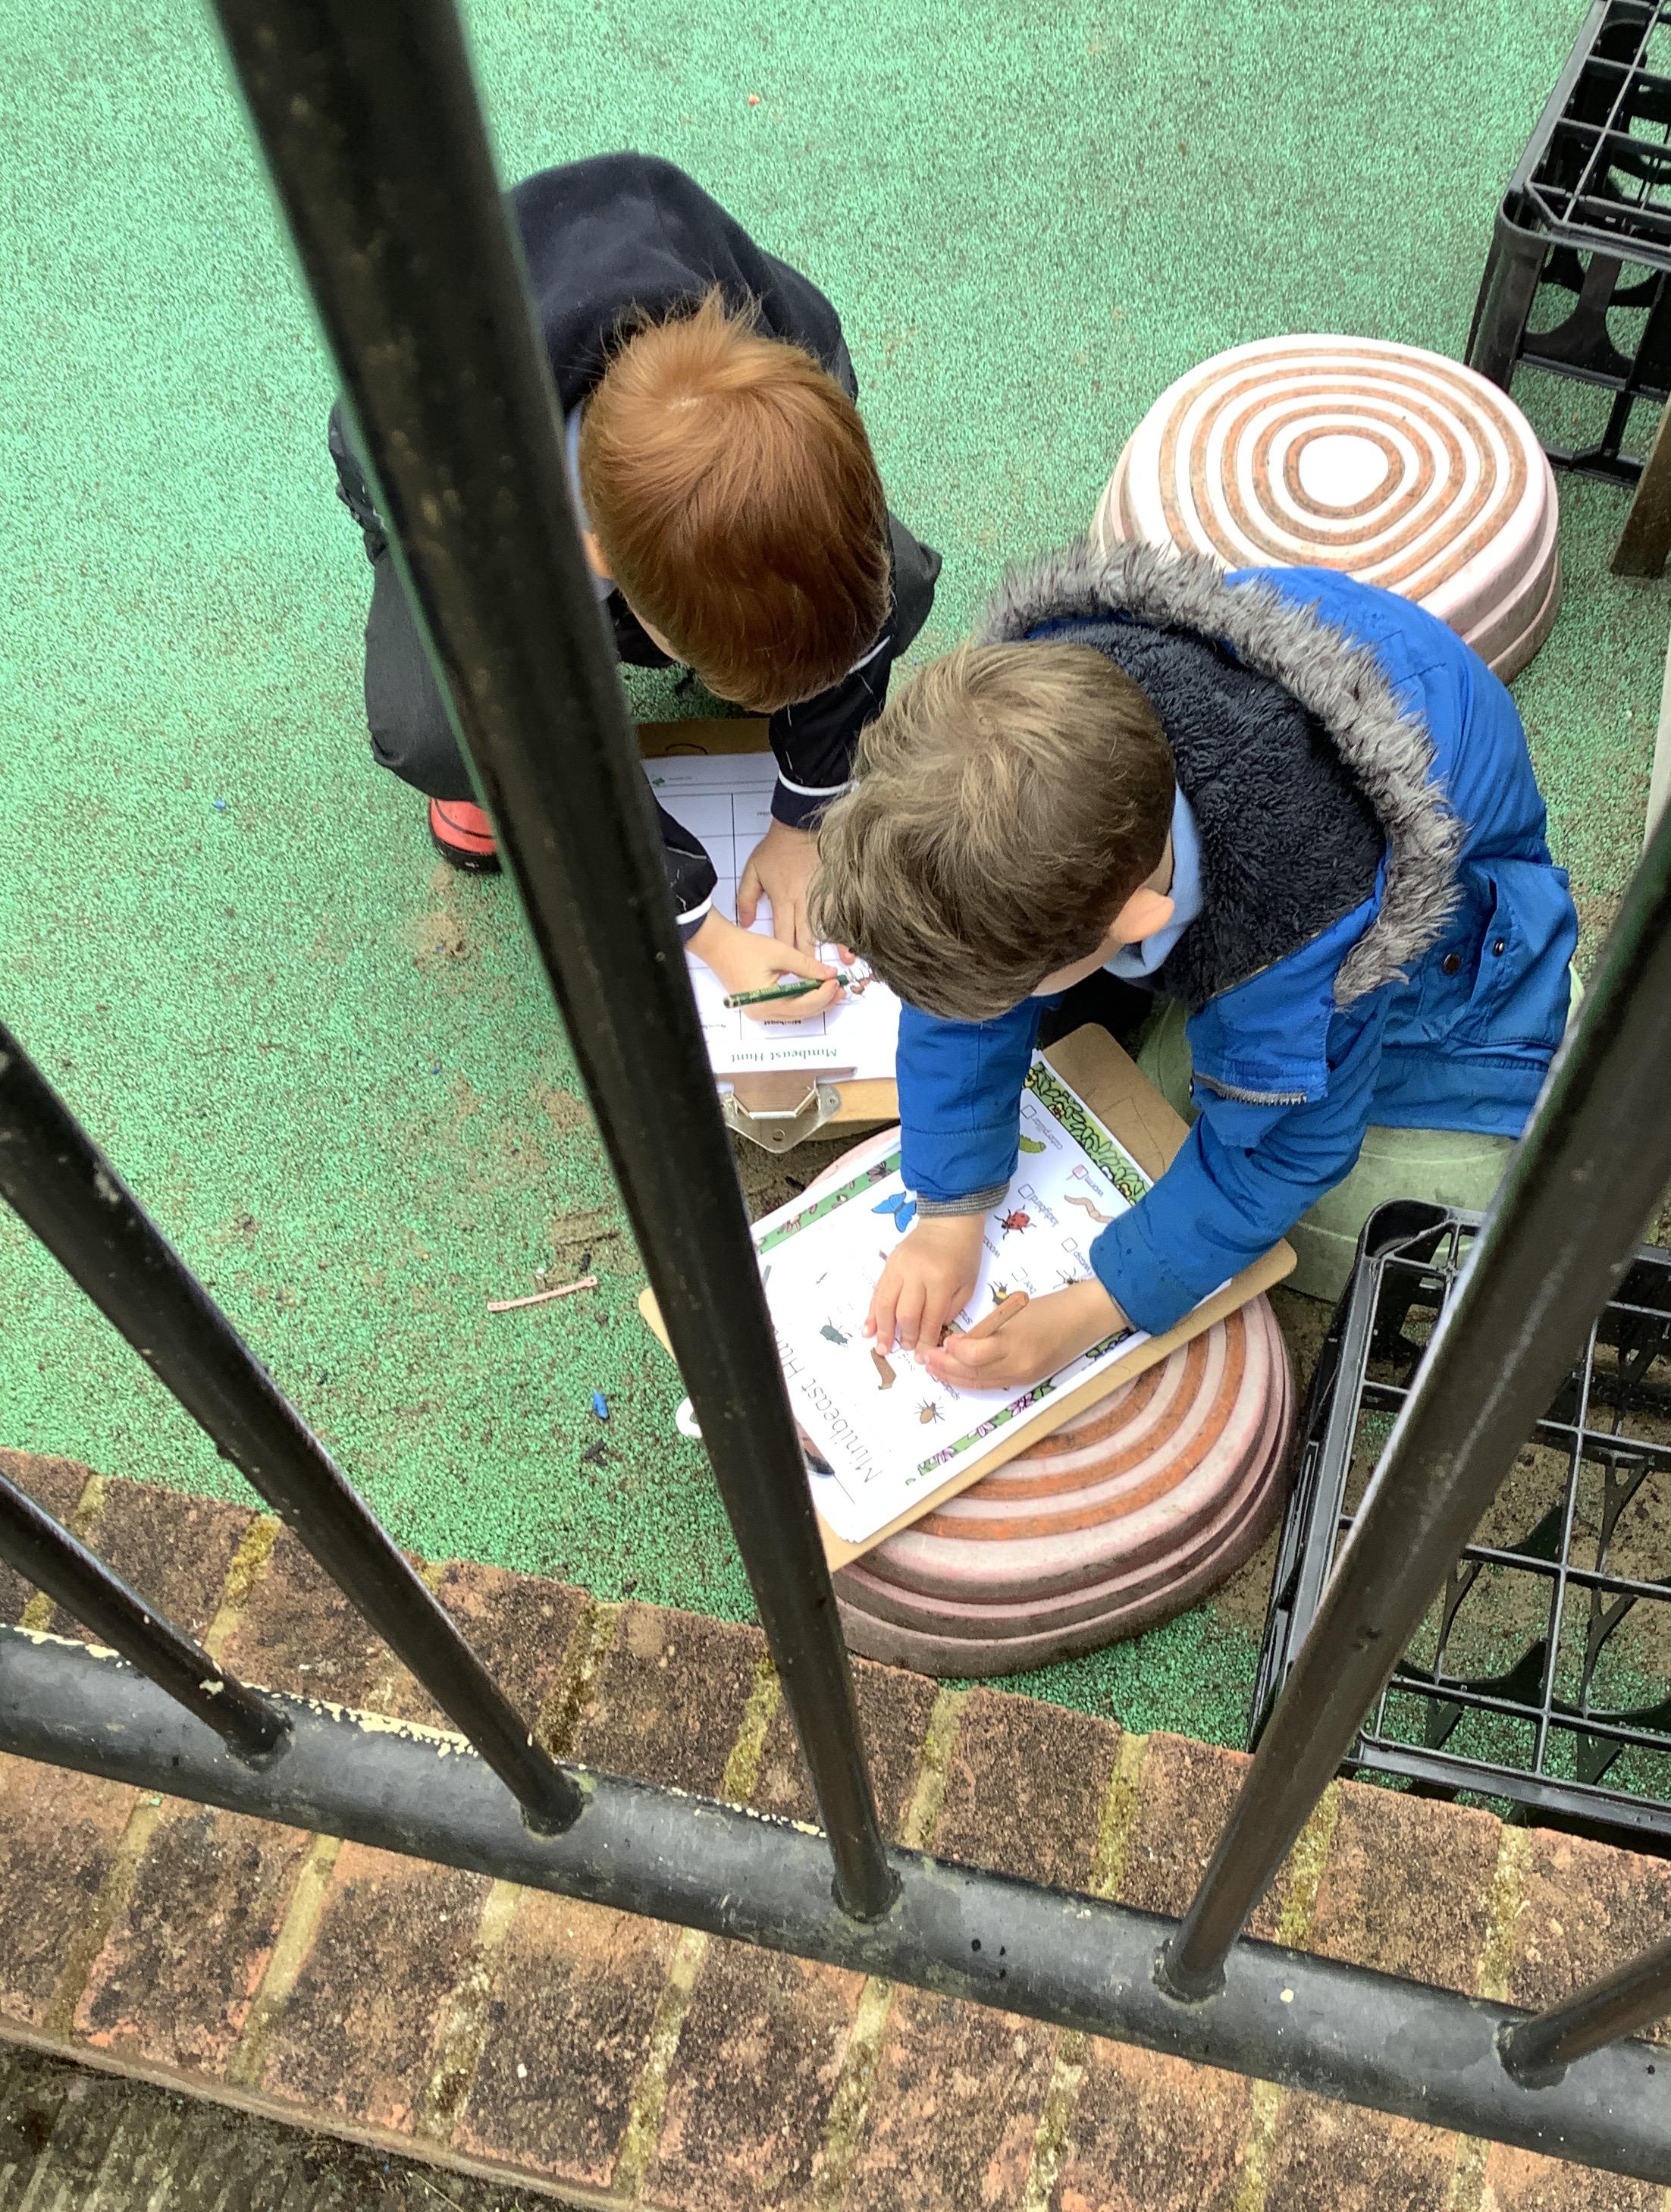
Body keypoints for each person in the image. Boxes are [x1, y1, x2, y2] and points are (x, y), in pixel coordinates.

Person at [810, 539, 1579, 1385]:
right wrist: (948, 1213)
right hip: (1297, 751)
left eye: (1010, 988)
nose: (982, 1005)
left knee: (1326, 1185)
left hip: (1457, 930)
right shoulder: (1029, 716)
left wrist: (1100, 1306)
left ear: (1138, 919)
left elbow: (1284, 1156)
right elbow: (964, 982)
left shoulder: (1301, 918)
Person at [330, 152, 939, 1019]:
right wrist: (707, 932)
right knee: (444, 723)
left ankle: (744, 641)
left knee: (894, 581)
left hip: (608, 359)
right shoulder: (488, 528)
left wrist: (806, 815)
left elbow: (858, 577)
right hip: (439, 492)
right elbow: (543, 729)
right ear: (602, 564)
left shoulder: (804, 356)